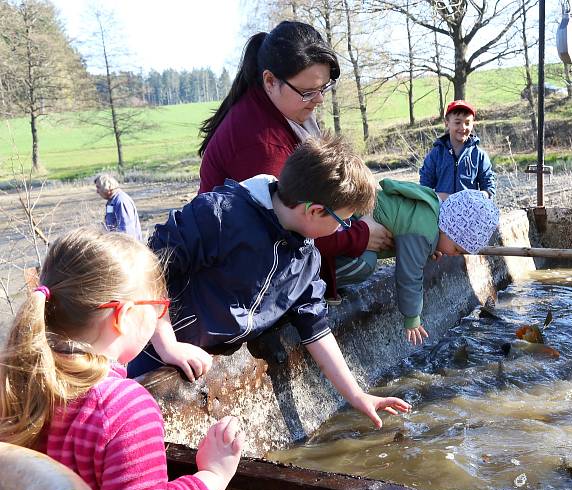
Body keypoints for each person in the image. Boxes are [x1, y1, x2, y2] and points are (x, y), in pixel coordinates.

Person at [136, 135, 411, 428]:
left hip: (206, 360)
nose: (343, 229)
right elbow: (148, 268)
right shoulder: (220, 216)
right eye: (343, 221)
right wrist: (168, 345)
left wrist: (356, 395)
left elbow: (316, 329)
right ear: (315, 211)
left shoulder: (305, 257)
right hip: (152, 346)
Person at [0, 228, 244, 490]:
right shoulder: (124, 408)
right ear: (123, 316)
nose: (160, 317)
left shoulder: (15, 379)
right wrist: (213, 476)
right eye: (158, 309)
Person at [197, 20, 392, 300]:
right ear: (270, 81)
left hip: (282, 228)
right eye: (308, 92)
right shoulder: (261, 142)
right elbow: (288, 229)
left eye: (324, 87)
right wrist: (359, 236)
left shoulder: (283, 109)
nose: (319, 100)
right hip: (243, 267)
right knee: (364, 261)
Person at [335, 181, 500, 346]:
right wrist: (412, 316)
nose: (454, 254)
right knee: (364, 264)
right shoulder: (423, 232)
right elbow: (409, 275)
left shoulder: (432, 210)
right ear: (446, 229)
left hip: (351, 218)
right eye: (456, 248)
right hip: (345, 225)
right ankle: (322, 278)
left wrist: (431, 247)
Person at [419, 100, 496, 201]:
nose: (463, 127)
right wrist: (440, 197)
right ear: (447, 123)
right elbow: (424, 188)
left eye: (467, 123)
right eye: (457, 122)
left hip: (470, 212)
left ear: (473, 124)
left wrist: (476, 197)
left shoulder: (479, 155)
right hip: (441, 211)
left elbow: (489, 188)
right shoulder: (436, 154)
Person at [94, 172, 142, 241]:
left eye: (98, 187)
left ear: (108, 187)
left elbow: (127, 233)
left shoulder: (121, 201)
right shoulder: (111, 201)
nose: (97, 191)